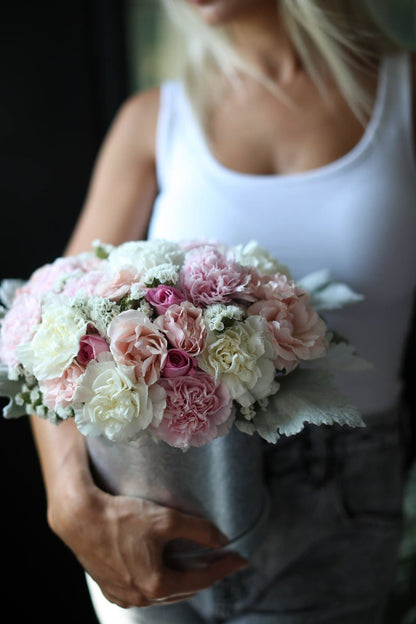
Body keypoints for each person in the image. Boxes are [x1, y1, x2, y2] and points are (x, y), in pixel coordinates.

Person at [29, 1, 416, 622]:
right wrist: (70, 498)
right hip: (146, 484)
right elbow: (48, 329)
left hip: (336, 498)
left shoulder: (405, 97)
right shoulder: (153, 120)